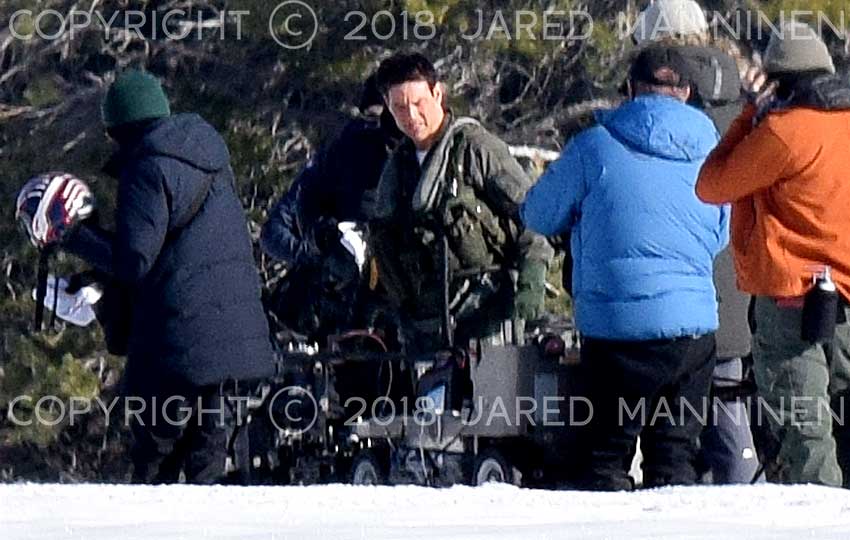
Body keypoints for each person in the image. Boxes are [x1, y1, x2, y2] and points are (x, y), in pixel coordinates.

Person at [522, 46, 728, 490]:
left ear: (630, 89)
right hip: (691, 331)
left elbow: (537, 214)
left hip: (615, 332)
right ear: (688, 92)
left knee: (604, 455)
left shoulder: (593, 147)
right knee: (675, 458)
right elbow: (724, 233)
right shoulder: (714, 149)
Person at [61, 70, 276, 484]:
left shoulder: (147, 166)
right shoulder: (210, 160)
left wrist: (72, 237)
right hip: (238, 347)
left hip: (179, 352)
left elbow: (133, 261)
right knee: (206, 473)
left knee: (154, 475)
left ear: (116, 127)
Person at [696, 21, 850, 487]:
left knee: (805, 429)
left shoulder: (784, 132)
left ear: (779, 80)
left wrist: (749, 115)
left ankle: (816, 521)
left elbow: (712, 184)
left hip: (791, 300)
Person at [631, 0, 762, 484]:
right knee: (728, 406)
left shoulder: (648, 99)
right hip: (731, 270)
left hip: (663, 283)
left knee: (670, 435)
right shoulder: (742, 95)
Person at [364, 52, 553, 353]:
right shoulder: (397, 170)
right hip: (424, 326)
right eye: (400, 107)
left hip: (486, 317)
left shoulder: (476, 150)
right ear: (388, 107)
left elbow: (535, 215)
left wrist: (531, 283)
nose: (411, 116)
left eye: (418, 103)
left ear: (437, 94)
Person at [260, 75, 402, 341]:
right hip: (338, 309)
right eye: (371, 119)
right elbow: (274, 230)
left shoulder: (410, 160)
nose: (376, 130)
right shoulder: (340, 155)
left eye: (386, 121)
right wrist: (321, 255)